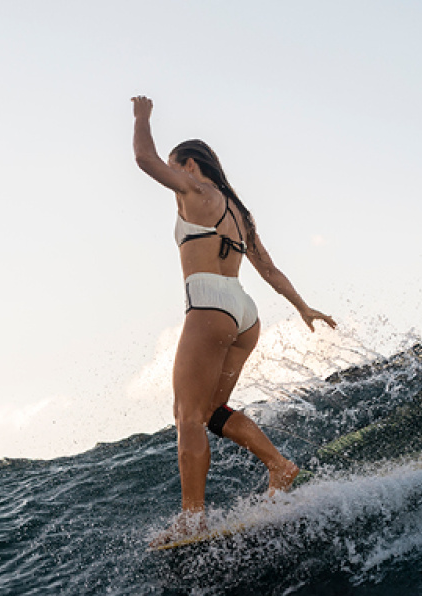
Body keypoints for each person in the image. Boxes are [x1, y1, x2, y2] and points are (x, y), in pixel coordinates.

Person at [130, 95, 337, 546]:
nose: (174, 179)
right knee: (210, 413)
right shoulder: (240, 213)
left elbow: (144, 159)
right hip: (244, 314)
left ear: (189, 165)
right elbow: (270, 271)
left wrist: (141, 116)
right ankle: (280, 467)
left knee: (186, 416)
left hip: (209, 307)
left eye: (176, 168)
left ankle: (192, 520)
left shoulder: (195, 191)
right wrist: (303, 307)